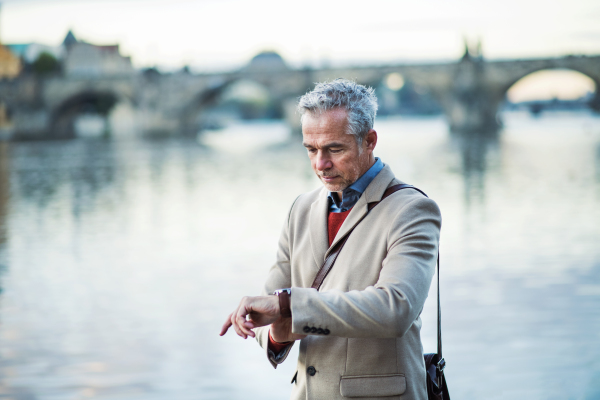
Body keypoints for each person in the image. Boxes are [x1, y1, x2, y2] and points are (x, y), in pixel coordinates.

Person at [220, 79, 441, 400]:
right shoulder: (301, 207)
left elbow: (396, 309)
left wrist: (287, 305)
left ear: (369, 141)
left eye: (334, 149)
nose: (320, 164)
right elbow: (271, 308)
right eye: (311, 149)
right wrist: (276, 331)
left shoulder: (411, 209)